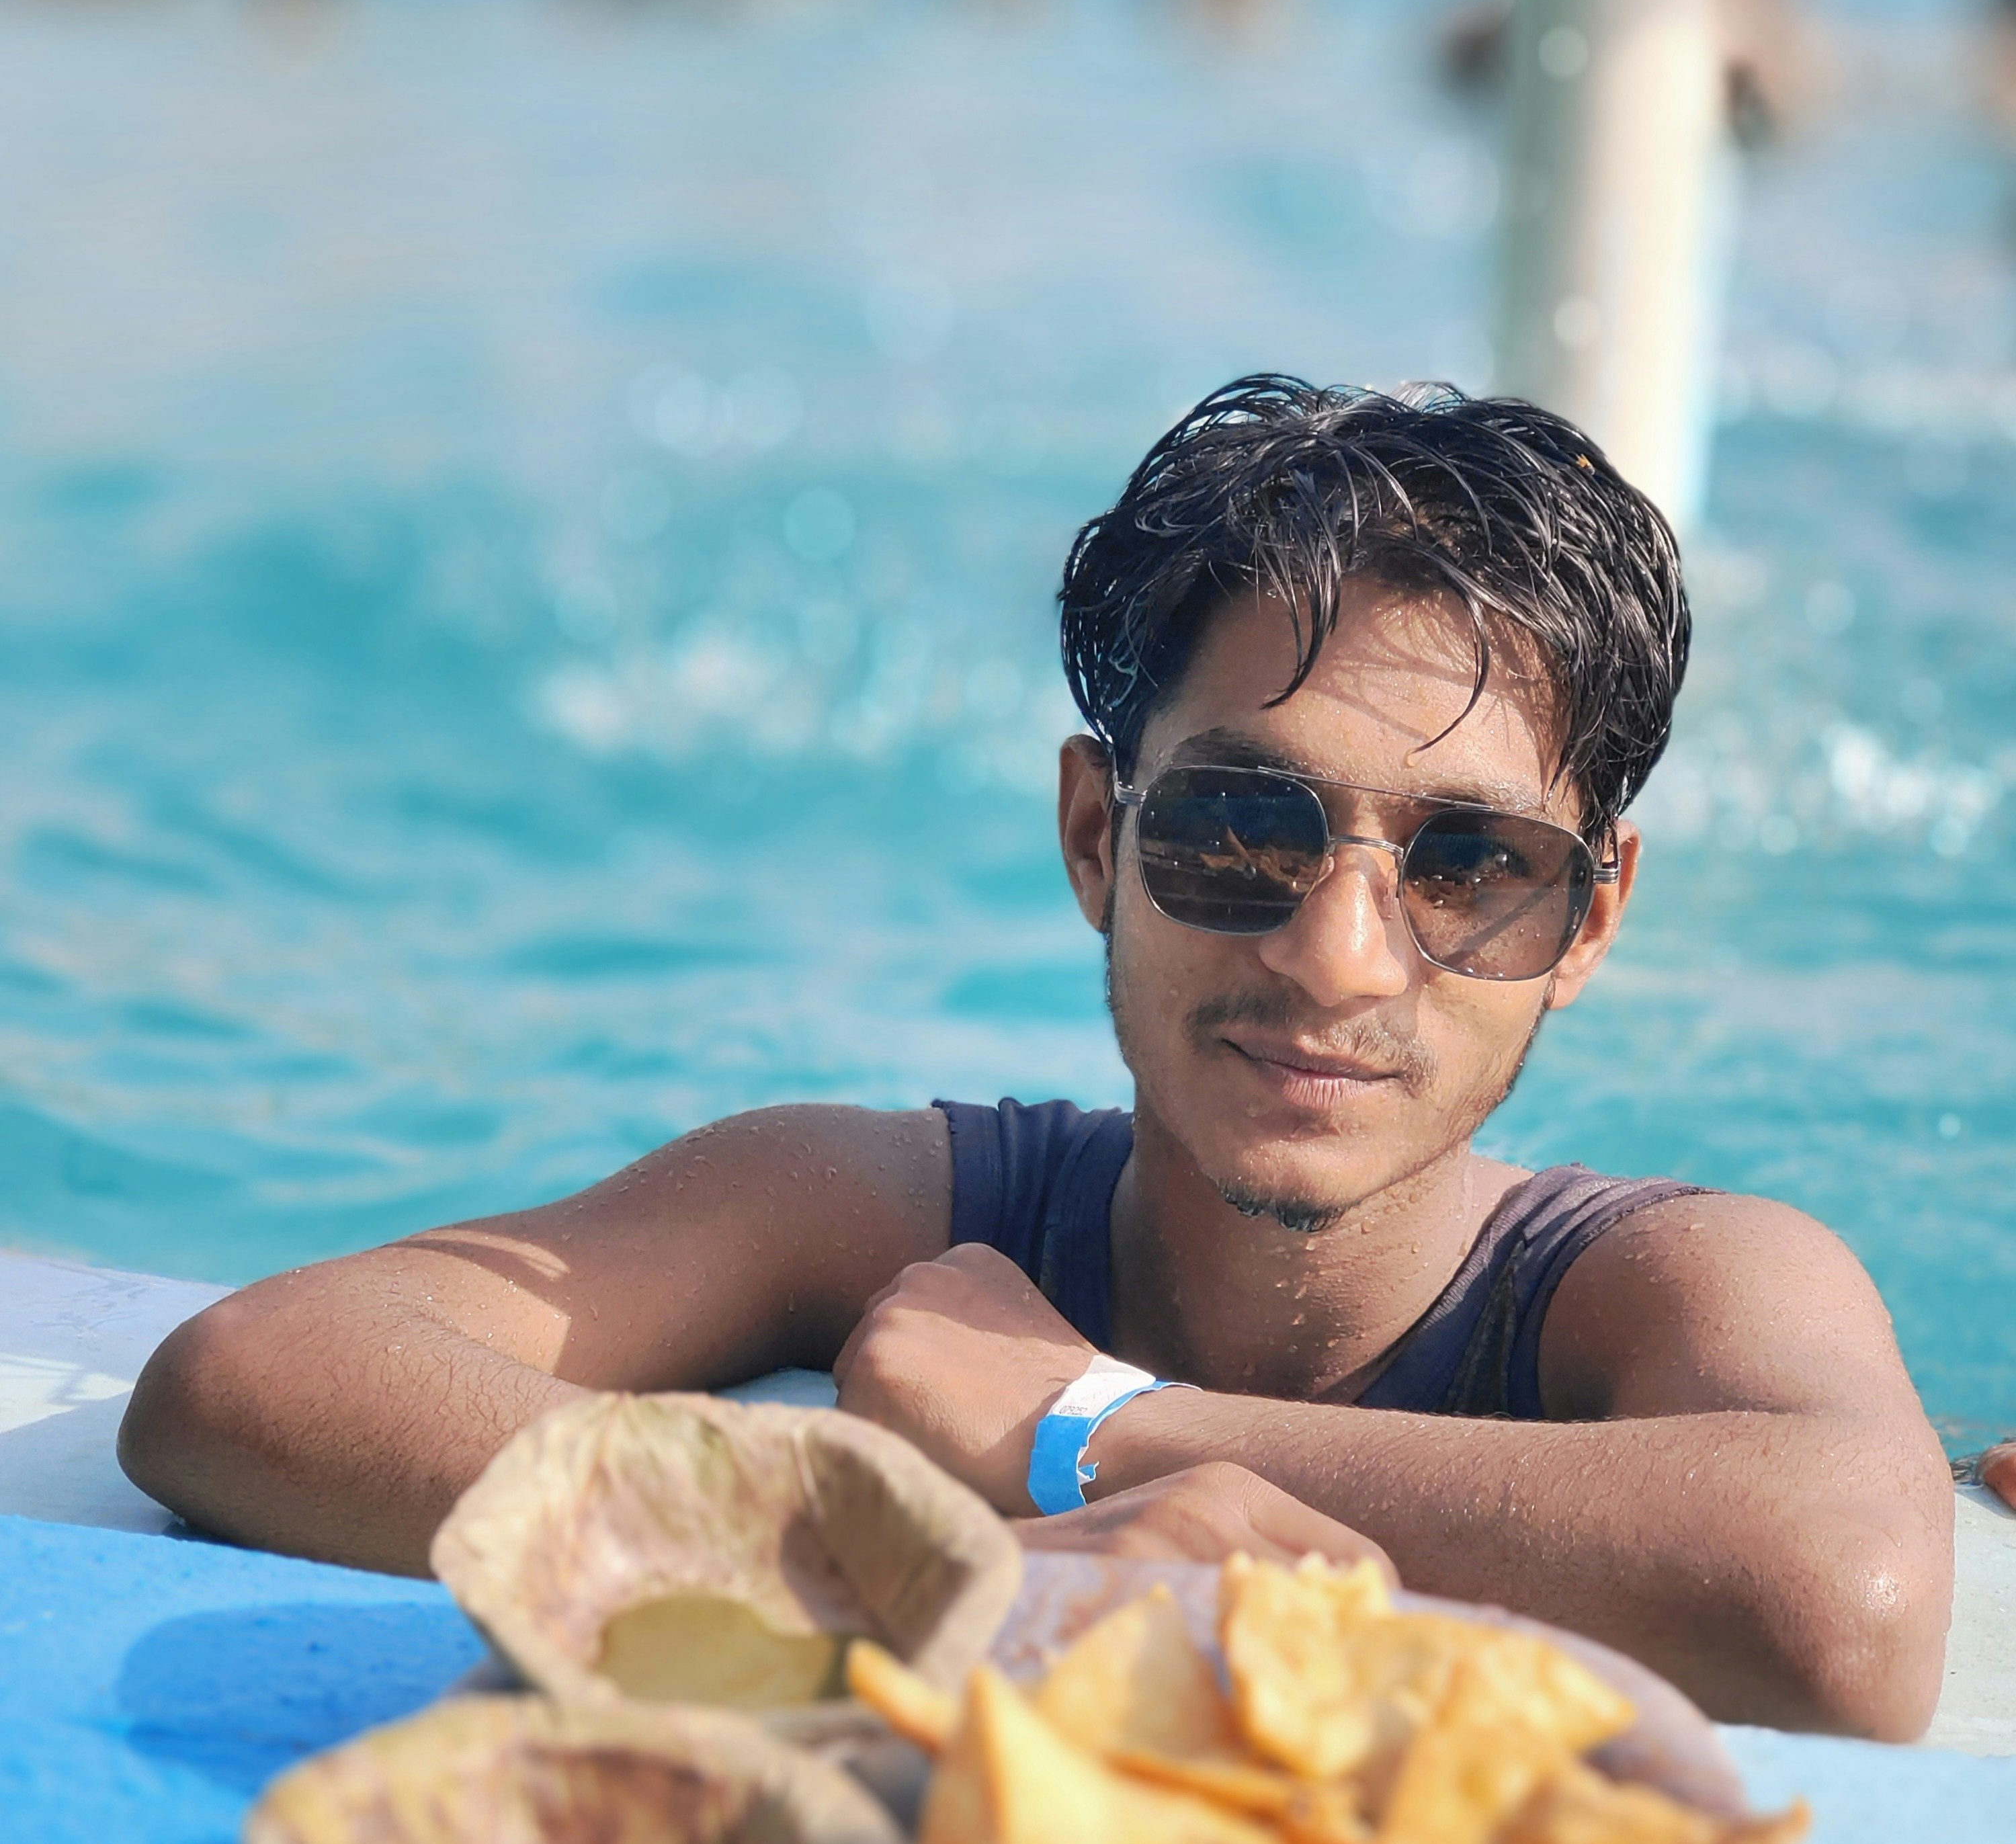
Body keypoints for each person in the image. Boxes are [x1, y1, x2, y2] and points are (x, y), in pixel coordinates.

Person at [118, 377, 1953, 1737]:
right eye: (1242, 828)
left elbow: (1851, 1603)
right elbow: (252, 1373)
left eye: (1472, 865)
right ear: (1095, 836)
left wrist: (1092, 1435)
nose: (1334, 954)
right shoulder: (887, 1206)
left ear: (1591, 918)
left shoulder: (1654, 1280)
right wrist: (919, 1573)